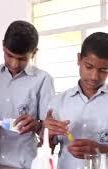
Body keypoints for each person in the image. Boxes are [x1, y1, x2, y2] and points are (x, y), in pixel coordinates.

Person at [0, 20, 55, 168]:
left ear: (34, 53)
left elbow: (49, 131)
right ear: (3, 45)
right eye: (9, 55)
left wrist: (37, 125)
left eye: (22, 58)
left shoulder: (43, 80)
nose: (14, 64)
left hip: (23, 163)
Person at [43, 32, 108, 169]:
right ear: (79, 59)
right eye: (89, 67)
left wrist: (101, 149)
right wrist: (47, 136)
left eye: (104, 70)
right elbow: (47, 149)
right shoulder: (58, 102)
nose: (94, 76)